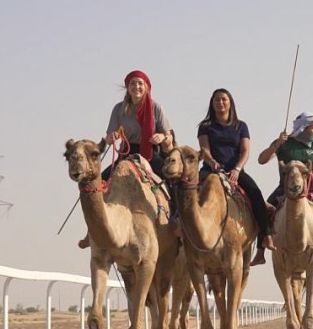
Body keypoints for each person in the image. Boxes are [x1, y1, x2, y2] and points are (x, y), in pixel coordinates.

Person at [78, 70, 175, 250]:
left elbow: (169, 135)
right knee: (97, 183)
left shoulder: (155, 108)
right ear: (127, 87)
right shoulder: (119, 109)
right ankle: (92, 231)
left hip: (150, 152)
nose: (136, 87)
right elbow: (108, 137)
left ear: (146, 87)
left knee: (173, 180)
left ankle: (178, 221)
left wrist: (161, 137)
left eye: (140, 83)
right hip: (126, 152)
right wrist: (112, 136)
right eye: (133, 84)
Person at [253, 112, 313, 265]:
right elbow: (261, 160)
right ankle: (259, 252)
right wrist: (276, 144)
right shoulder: (284, 143)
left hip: (309, 187)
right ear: (303, 127)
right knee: (264, 211)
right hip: (284, 188)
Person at [196, 88, 276, 259]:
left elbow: (245, 151)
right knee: (189, 193)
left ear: (230, 102)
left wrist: (237, 169)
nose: (220, 103)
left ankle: (266, 236)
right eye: (217, 100)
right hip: (211, 170)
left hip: (236, 171)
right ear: (212, 103)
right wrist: (212, 162)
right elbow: (205, 149)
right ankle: (180, 229)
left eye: (224, 99)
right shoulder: (206, 126)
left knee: (256, 194)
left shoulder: (241, 126)